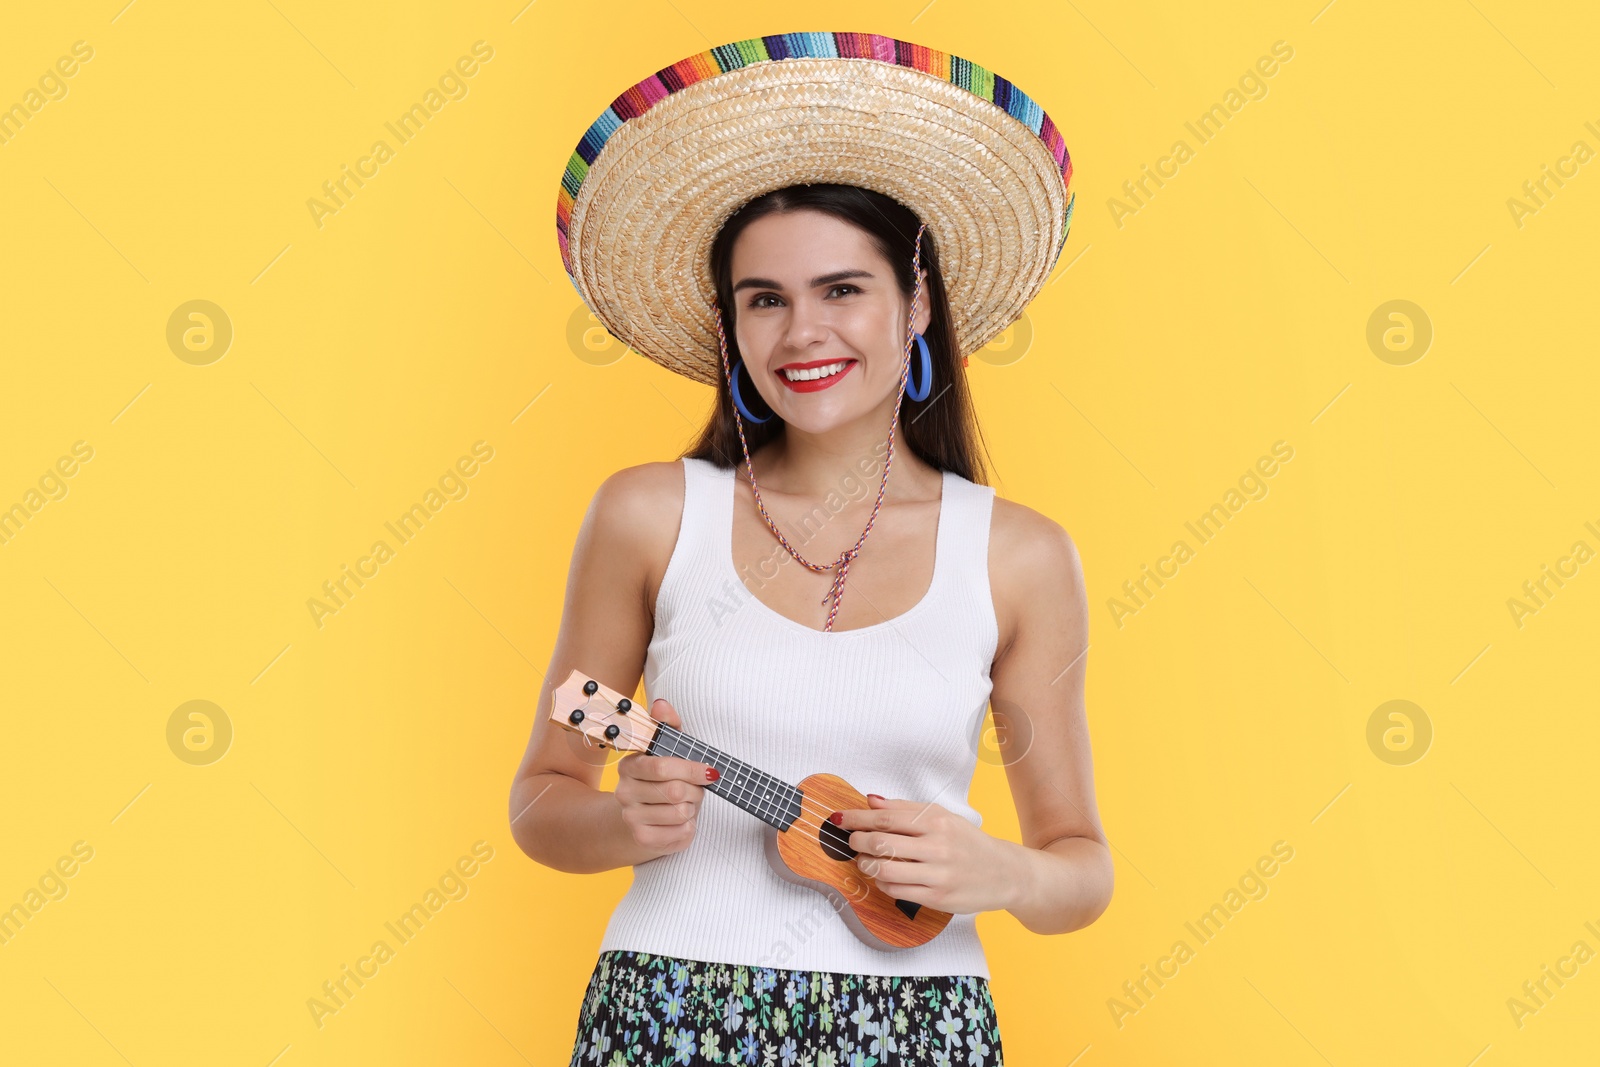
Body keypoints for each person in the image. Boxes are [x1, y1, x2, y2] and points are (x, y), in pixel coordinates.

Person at [512, 32, 1112, 1065]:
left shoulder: (1017, 555)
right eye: (764, 299)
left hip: (918, 1023)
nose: (802, 333)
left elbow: (1080, 865)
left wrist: (1000, 872)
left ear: (917, 303)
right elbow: (542, 798)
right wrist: (624, 822)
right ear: (730, 323)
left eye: (842, 289)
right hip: (665, 1010)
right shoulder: (649, 514)